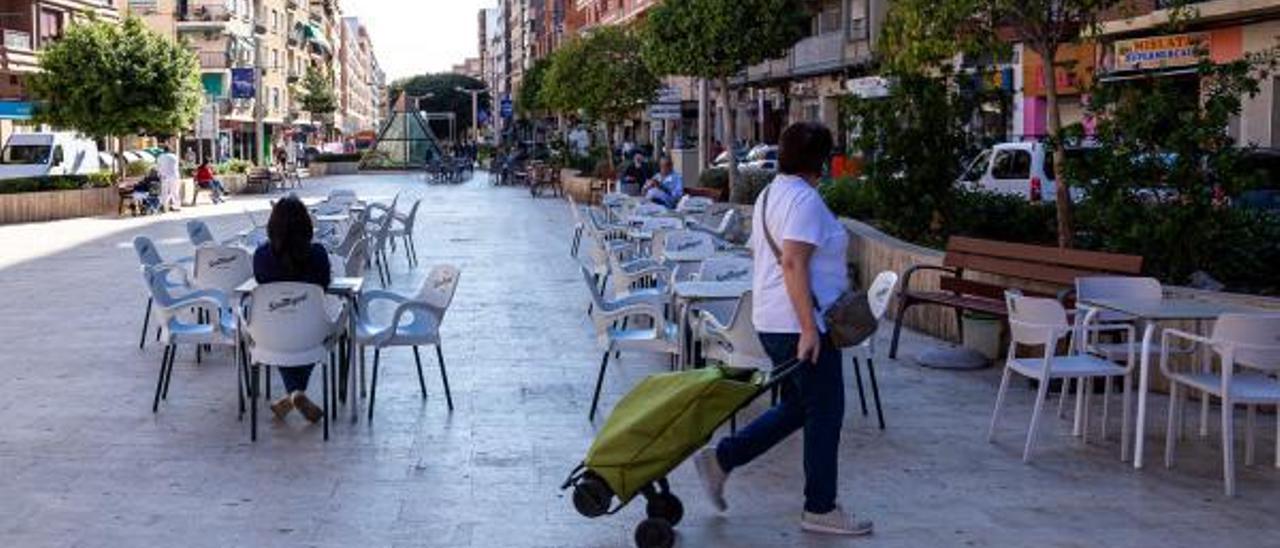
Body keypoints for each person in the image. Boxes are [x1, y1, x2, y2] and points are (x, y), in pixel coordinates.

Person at [694, 122, 872, 537]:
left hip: (775, 320)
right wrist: (810, 328)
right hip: (801, 325)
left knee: (798, 407)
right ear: (821, 160)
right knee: (825, 412)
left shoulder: (770, 194)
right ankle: (820, 507)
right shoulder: (804, 201)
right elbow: (793, 262)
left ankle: (722, 459)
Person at [253, 196, 332, 424]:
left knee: (282, 327)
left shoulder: (261, 256)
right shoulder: (317, 254)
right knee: (307, 329)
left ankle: (292, 395)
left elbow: (260, 282)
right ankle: (296, 394)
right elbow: (324, 286)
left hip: (271, 334)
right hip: (312, 333)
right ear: (306, 224)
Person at [156, 145, 182, 212]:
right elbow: (177, 166)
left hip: (164, 176)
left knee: (164, 192)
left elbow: (158, 167)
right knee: (175, 191)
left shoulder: (160, 157)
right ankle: (176, 206)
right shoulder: (174, 157)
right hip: (174, 176)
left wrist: (159, 174)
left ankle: (164, 206)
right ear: (170, 150)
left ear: (163, 150)